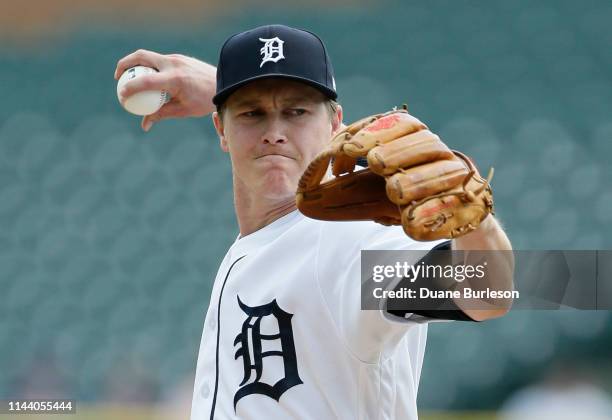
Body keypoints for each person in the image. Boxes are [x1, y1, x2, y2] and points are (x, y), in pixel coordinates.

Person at [115, 24, 513, 420]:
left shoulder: (347, 245)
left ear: (335, 123)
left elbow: (486, 289)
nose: (275, 133)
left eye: (297, 112)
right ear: (221, 127)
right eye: (252, 113)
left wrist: (474, 221)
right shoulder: (264, 242)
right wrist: (221, 83)